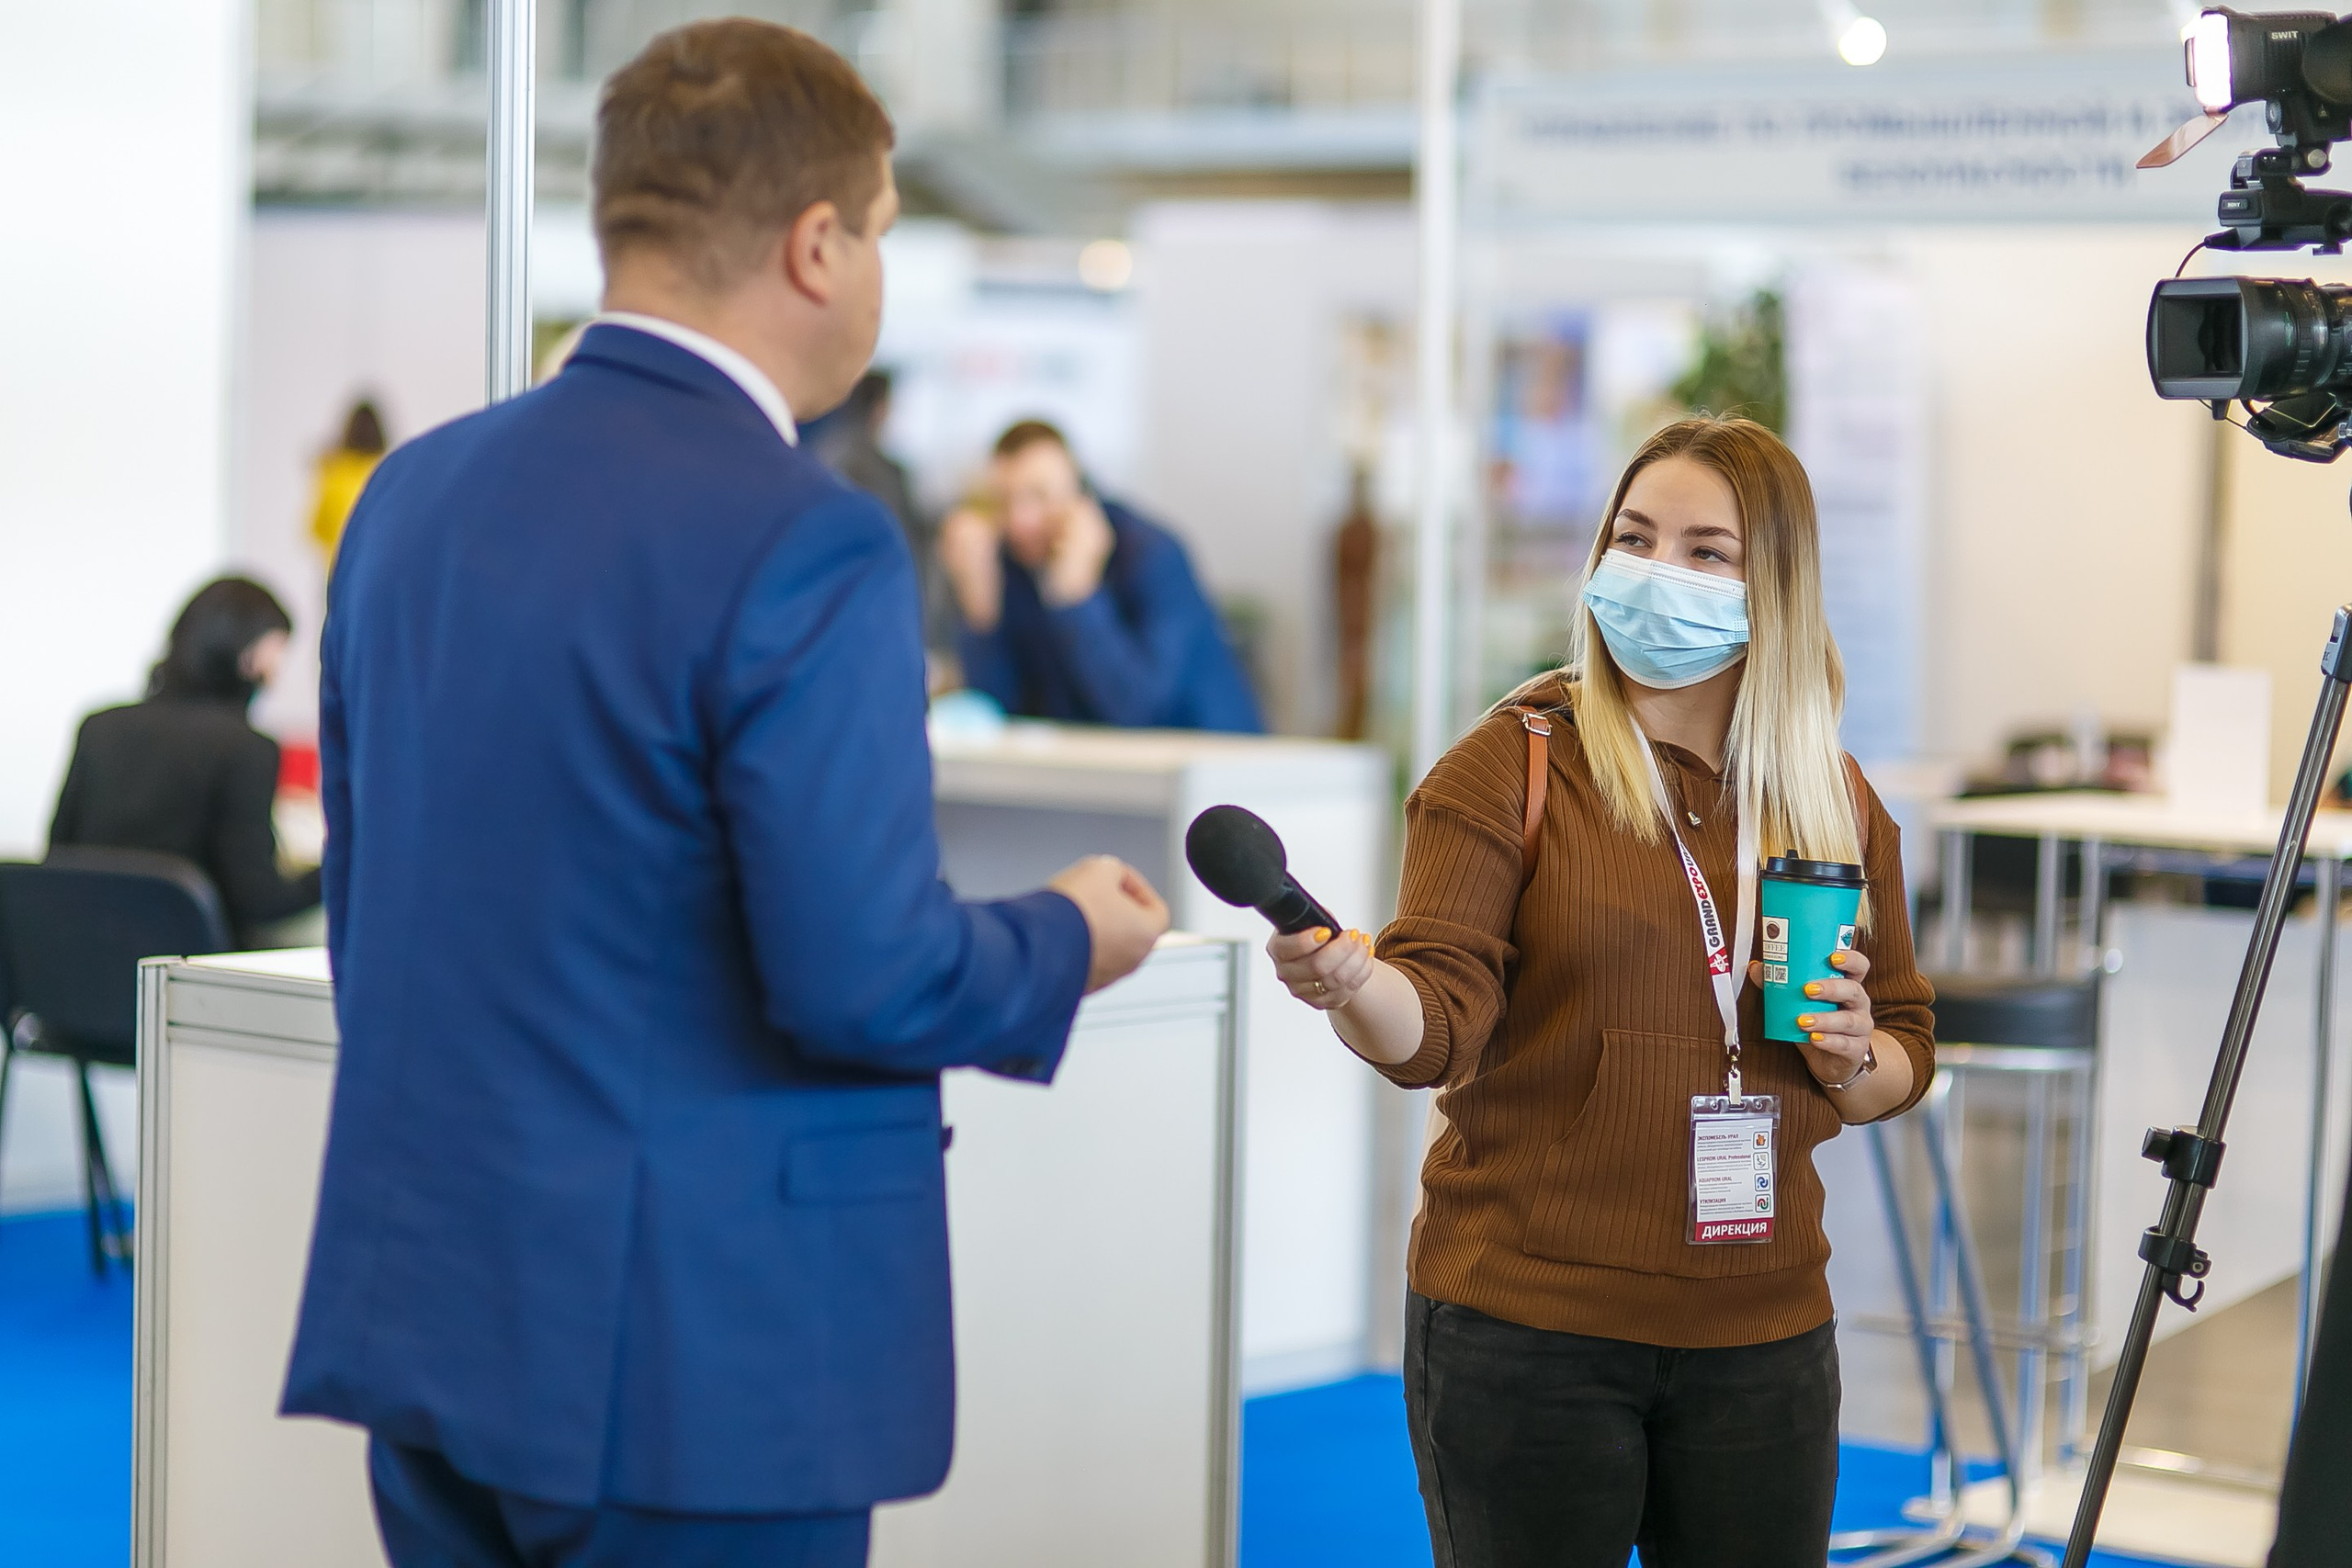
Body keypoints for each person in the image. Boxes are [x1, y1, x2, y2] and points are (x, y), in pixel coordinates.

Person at [278, 21, 1169, 1568]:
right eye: (885, 232)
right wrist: (1066, 937)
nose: (883, 270)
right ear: (815, 247)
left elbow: (377, 923)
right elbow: (863, 972)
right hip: (696, 1359)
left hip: (436, 1311)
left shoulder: (411, 498)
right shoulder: (802, 540)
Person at [1267, 416, 1935, 1567]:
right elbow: (1434, 1024)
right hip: (1528, 1330)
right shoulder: (1511, 764)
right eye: (1632, 538)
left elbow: (1905, 1046)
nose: (1653, 574)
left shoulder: (1830, 796)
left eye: (1704, 552)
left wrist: (1855, 1055)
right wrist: (1351, 982)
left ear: (1770, 585)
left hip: (1764, 1332)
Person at [939, 420, 1264, 732]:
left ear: (1082, 496)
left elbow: (1138, 709)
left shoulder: (1151, 555)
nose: (1019, 520)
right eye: (1004, 500)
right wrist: (981, 607)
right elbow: (998, 715)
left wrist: (1079, 598)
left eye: (1038, 496)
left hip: (1208, 758)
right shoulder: (1007, 563)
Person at [49, 577, 320, 946]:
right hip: (191, 982)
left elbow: (58, 860)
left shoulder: (100, 727)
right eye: (276, 651)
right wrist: (344, 863)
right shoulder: (246, 748)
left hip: (84, 958)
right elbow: (260, 900)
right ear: (249, 657)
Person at [812, 370, 946, 650]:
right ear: (880, 407)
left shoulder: (823, 452)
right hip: (882, 610)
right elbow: (907, 544)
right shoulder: (882, 471)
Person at [310, 398, 387, 564]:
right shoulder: (386, 473)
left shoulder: (335, 476)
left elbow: (316, 530)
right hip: (378, 567)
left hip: (339, 569)